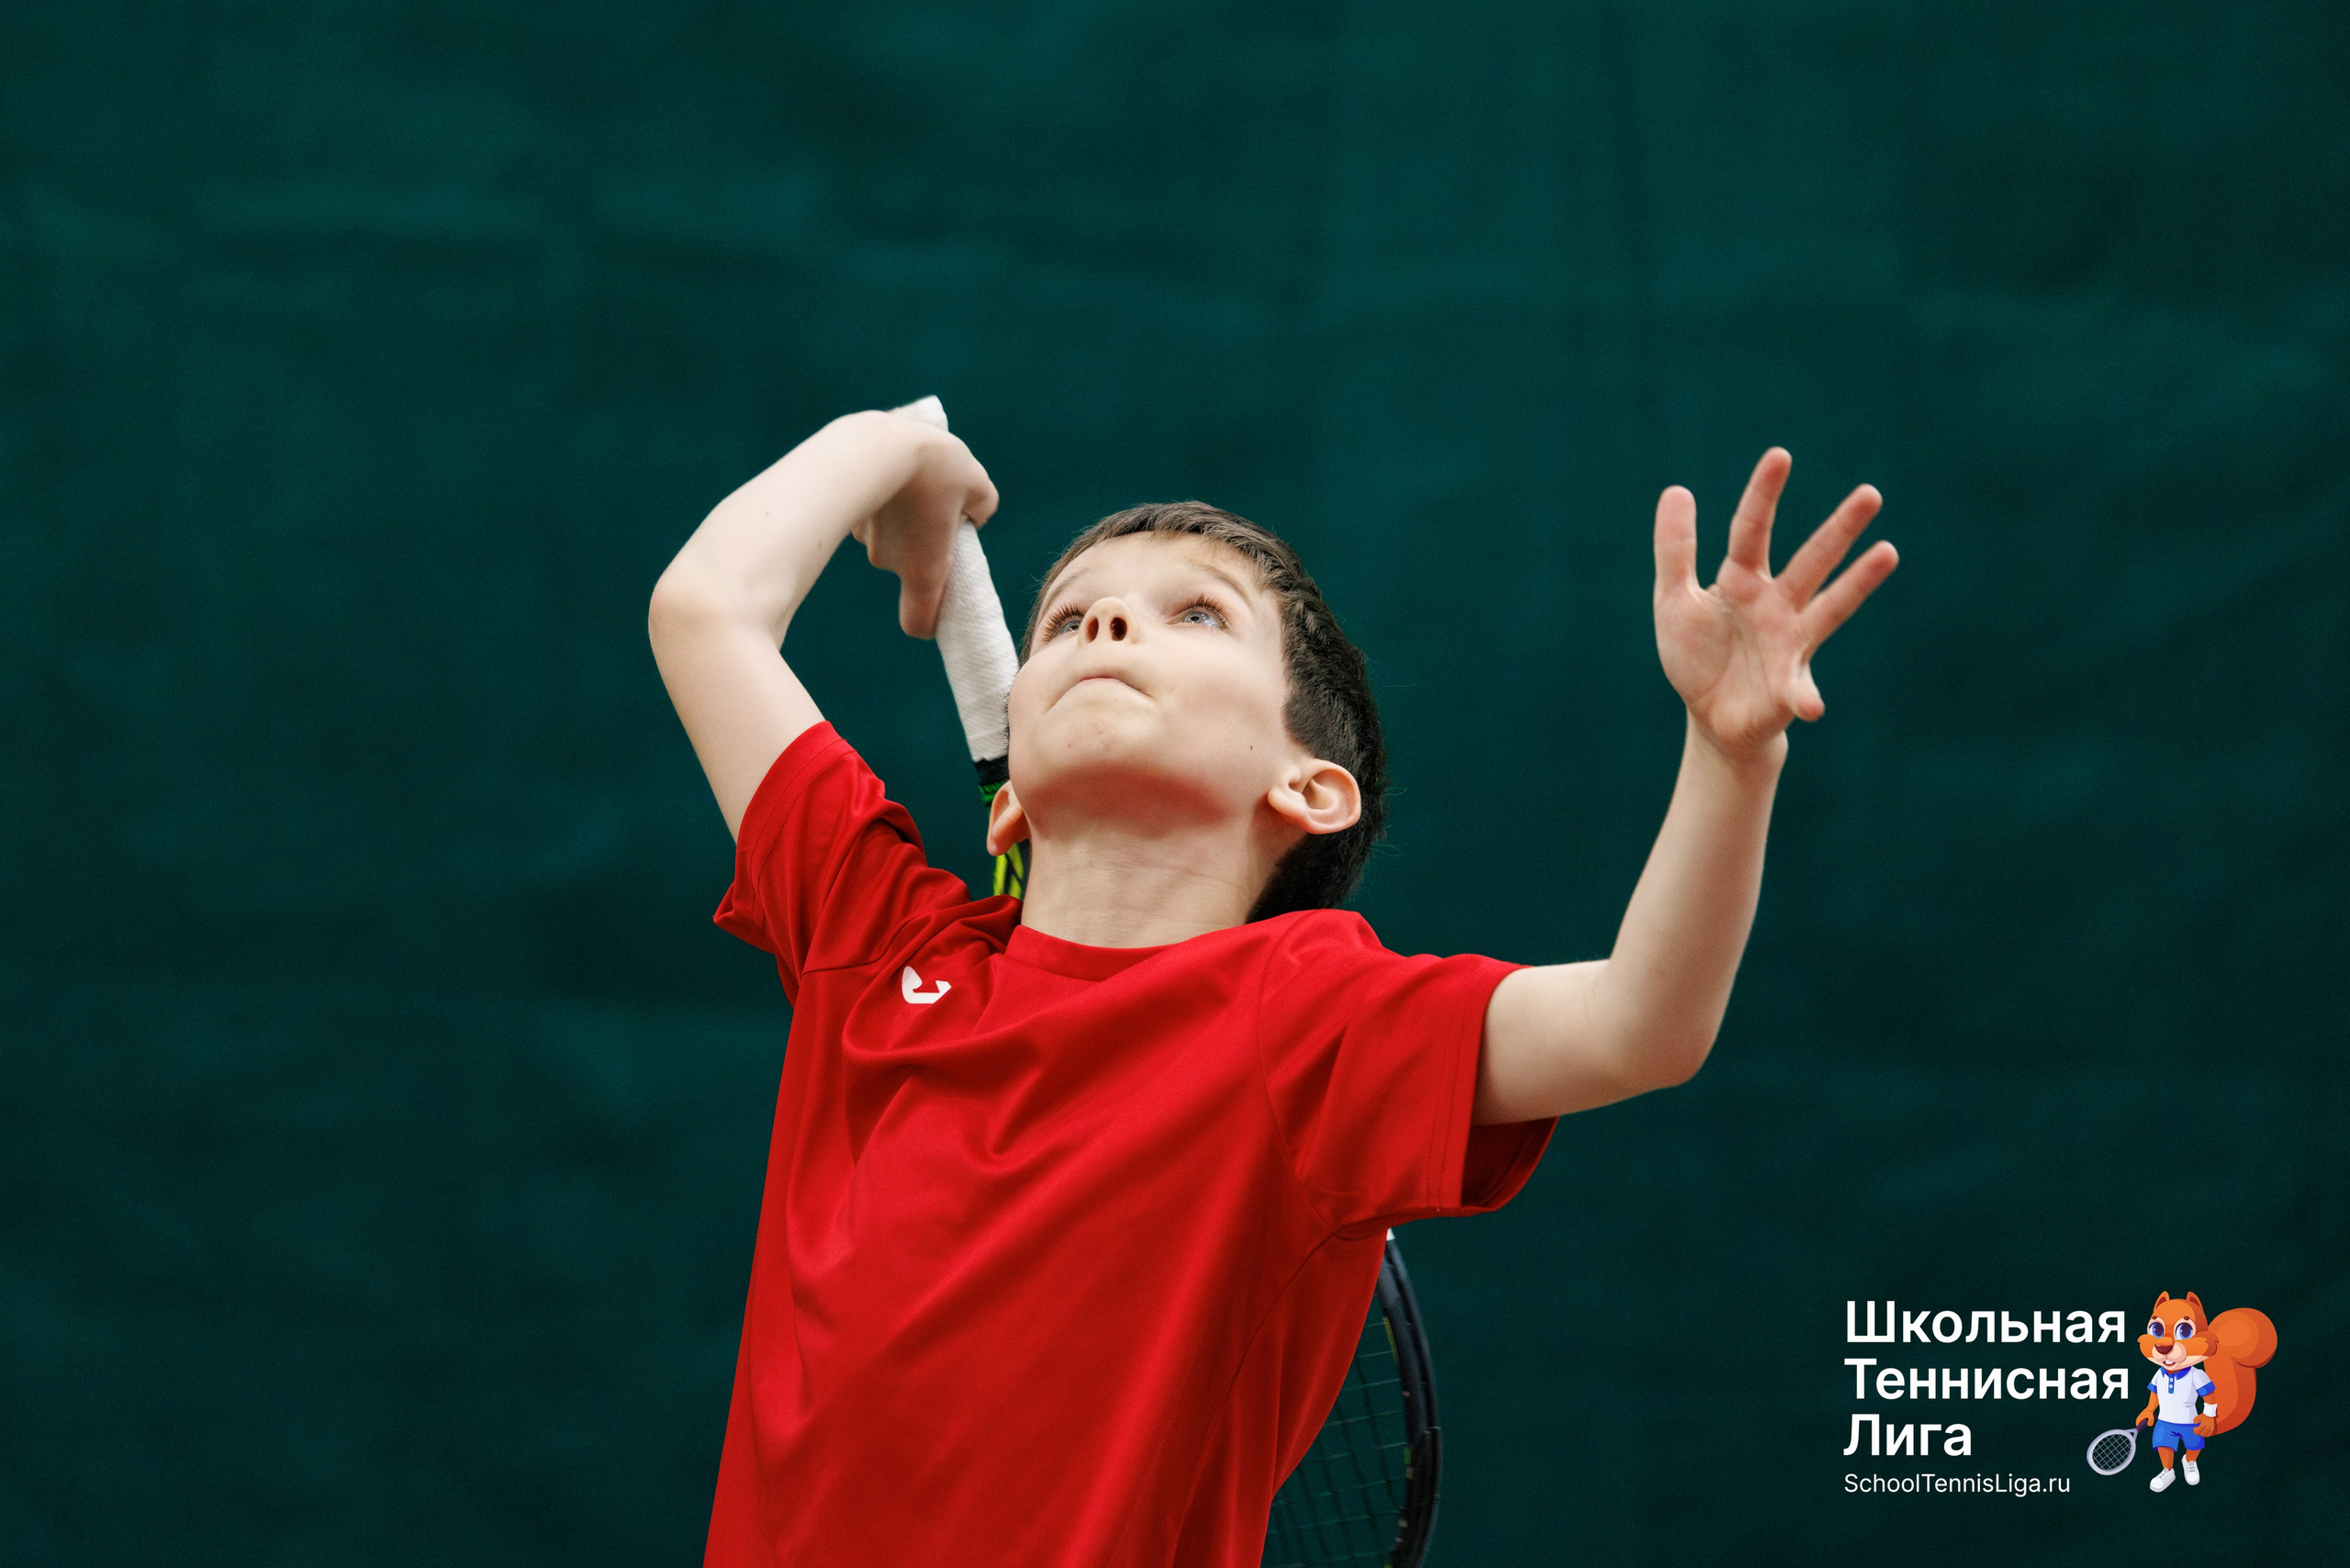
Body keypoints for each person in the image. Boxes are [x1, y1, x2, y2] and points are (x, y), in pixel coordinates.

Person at [647, 406, 1895, 1566]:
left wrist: (1734, 754)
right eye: (1065, 621)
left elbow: (1642, 1025)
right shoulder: (877, 949)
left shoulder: (1308, 1019)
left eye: (1197, 615)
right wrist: (896, 446)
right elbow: (707, 608)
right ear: (1010, 792)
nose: (1106, 627)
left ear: (1310, 789)